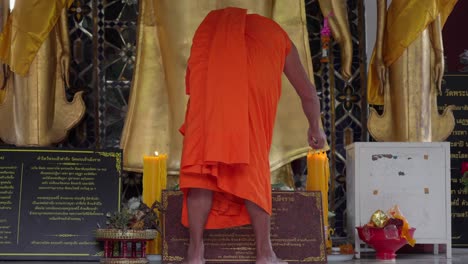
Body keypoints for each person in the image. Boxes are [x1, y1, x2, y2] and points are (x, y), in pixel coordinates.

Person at [179, 7, 326, 264]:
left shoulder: (215, 31)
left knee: (201, 169)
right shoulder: (280, 38)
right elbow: (308, 93)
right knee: (251, 166)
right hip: (250, 100)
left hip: (210, 90)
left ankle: (195, 253)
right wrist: (315, 127)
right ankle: (264, 253)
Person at [367, 0, 457, 142]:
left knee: (423, 100)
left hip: (423, 33)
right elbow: (381, 4)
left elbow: (433, 6)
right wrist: (379, 56)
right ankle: (400, 146)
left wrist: (439, 53)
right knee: (399, 100)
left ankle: (424, 146)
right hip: (397, 30)